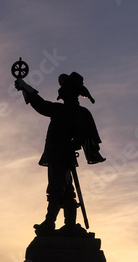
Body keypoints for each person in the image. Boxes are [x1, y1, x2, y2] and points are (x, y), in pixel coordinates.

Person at [15, 71, 105, 234]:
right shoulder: (61, 109)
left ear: (71, 91)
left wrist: (71, 145)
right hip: (58, 153)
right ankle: (69, 224)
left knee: (57, 188)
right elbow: (41, 105)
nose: (60, 90)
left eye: (64, 87)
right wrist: (24, 87)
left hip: (61, 155)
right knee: (66, 190)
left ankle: (50, 223)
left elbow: (84, 133)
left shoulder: (76, 112)